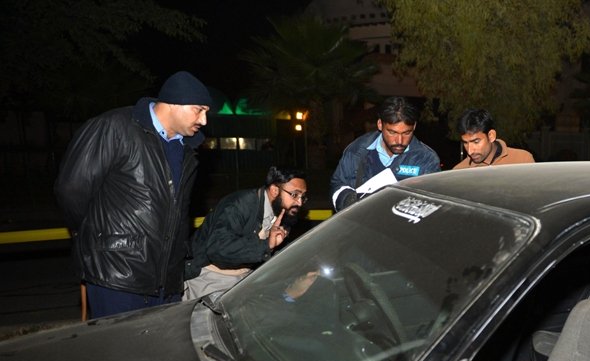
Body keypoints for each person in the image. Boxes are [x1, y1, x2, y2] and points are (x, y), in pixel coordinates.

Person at [55, 70, 213, 319]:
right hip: (117, 277)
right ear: (173, 103)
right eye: (198, 109)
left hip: (166, 280)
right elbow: (72, 189)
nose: (204, 120)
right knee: (117, 354)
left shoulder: (188, 149)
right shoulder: (114, 127)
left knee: (154, 356)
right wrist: (92, 235)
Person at [183, 167, 307, 300]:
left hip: (244, 277)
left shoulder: (284, 213)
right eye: (295, 194)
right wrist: (266, 245)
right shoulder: (238, 205)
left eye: (303, 197)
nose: (299, 202)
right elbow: (217, 249)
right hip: (210, 276)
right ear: (274, 190)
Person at [330, 96, 440, 213]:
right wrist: (349, 200)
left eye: (406, 133)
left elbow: (433, 204)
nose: (399, 141)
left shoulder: (426, 159)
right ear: (380, 125)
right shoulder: (357, 150)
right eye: (392, 132)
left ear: (414, 127)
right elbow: (338, 184)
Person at [453, 108, 535, 169]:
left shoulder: (522, 160)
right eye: (466, 143)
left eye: (476, 142)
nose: (470, 151)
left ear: (491, 136)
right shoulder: (459, 171)